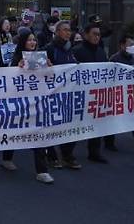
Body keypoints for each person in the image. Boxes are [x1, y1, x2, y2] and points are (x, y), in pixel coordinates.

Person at [1, 30, 55, 184]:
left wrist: (50, 67)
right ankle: (6, 158)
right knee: (14, 130)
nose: (33, 43)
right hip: (20, 103)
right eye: (29, 40)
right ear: (23, 42)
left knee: (39, 133)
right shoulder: (17, 59)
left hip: (37, 103)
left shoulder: (40, 58)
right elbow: (10, 80)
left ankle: (42, 170)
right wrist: (17, 68)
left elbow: (49, 78)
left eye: (34, 40)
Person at [72, 23, 114, 162]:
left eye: (99, 34)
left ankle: (94, 152)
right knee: (75, 124)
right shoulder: (77, 51)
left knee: (97, 124)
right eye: (94, 34)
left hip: (97, 94)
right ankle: (67, 153)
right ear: (86, 35)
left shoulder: (101, 51)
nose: (97, 36)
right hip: (79, 94)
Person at [44, 20, 82, 170]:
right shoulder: (49, 49)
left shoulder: (69, 49)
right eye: (65, 30)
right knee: (51, 126)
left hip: (68, 94)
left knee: (70, 124)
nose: (68, 32)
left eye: (69, 30)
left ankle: (67, 155)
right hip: (53, 95)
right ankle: (51, 156)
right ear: (57, 31)